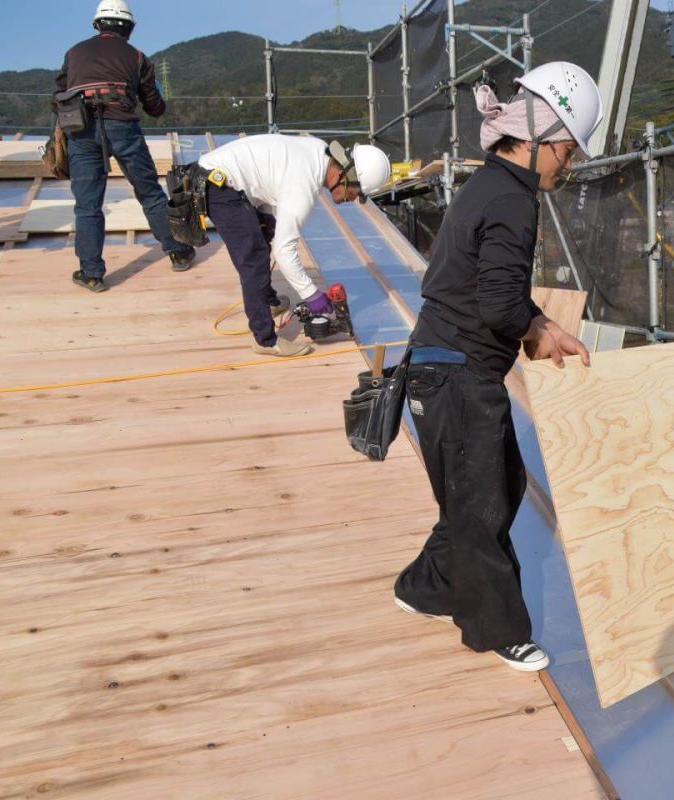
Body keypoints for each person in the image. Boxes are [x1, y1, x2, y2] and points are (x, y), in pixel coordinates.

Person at [394, 62, 603, 672]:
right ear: (542, 138)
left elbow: (492, 291)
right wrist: (537, 328)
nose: (566, 166)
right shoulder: (514, 200)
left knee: (495, 486)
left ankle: (423, 588)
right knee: (482, 508)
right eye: (567, 153)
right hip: (456, 376)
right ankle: (498, 629)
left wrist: (543, 327)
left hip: (444, 368)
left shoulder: (490, 184)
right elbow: (498, 303)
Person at [196, 135, 391, 357]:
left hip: (227, 178)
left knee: (264, 231)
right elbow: (284, 251)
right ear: (344, 176)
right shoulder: (304, 185)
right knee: (254, 257)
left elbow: (271, 176)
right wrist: (311, 293)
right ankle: (265, 340)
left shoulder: (319, 153)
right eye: (355, 193)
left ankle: (268, 302)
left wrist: (267, 219)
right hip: (218, 184)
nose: (352, 199)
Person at [56, 0, 196, 293]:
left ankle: (92, 274)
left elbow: (59, 92)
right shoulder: (137, 58)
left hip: (80, 130)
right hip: (123, 127)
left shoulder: (73, 52)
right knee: (149, 193)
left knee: (88, 204)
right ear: (129, 28)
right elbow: (155, 107)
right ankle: (177, 251)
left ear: (98, 25)